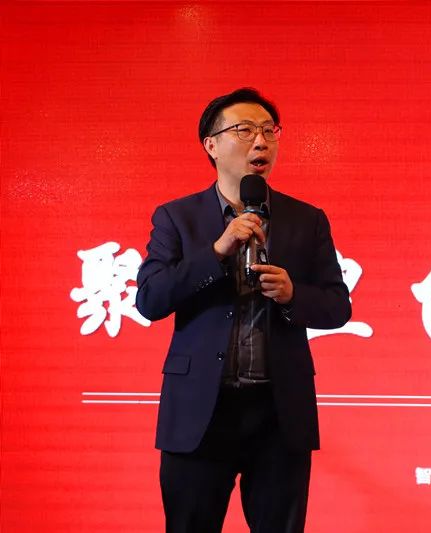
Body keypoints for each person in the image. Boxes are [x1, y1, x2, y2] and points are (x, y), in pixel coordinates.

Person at [136, 87, 351, 533]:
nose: (261, 142)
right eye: (245, 130)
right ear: (211, 145)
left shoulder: (306, 219)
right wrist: (217, 251)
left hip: (278, 413)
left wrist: (293, 295)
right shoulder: (177, 217)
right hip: (200, 410)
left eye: (269, 131)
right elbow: (151, 299)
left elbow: (337, 306)